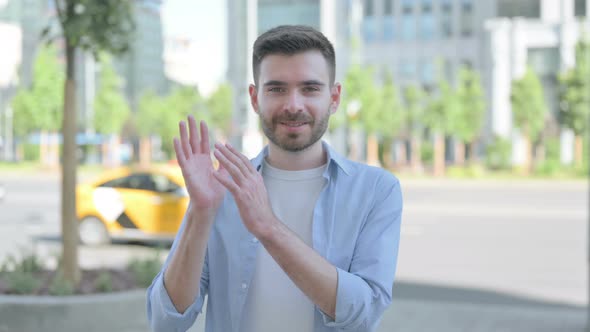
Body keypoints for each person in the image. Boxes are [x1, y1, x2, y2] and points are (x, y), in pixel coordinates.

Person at [147, 25, 403, 332]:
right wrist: (200, 212)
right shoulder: (220, 190)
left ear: (334, 98)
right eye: (277, 89)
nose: (293, 105)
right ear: (255, 98)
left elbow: (365, 312)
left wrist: (267, 227)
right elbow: (165, 321)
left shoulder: (376, 190)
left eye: (310, 88)